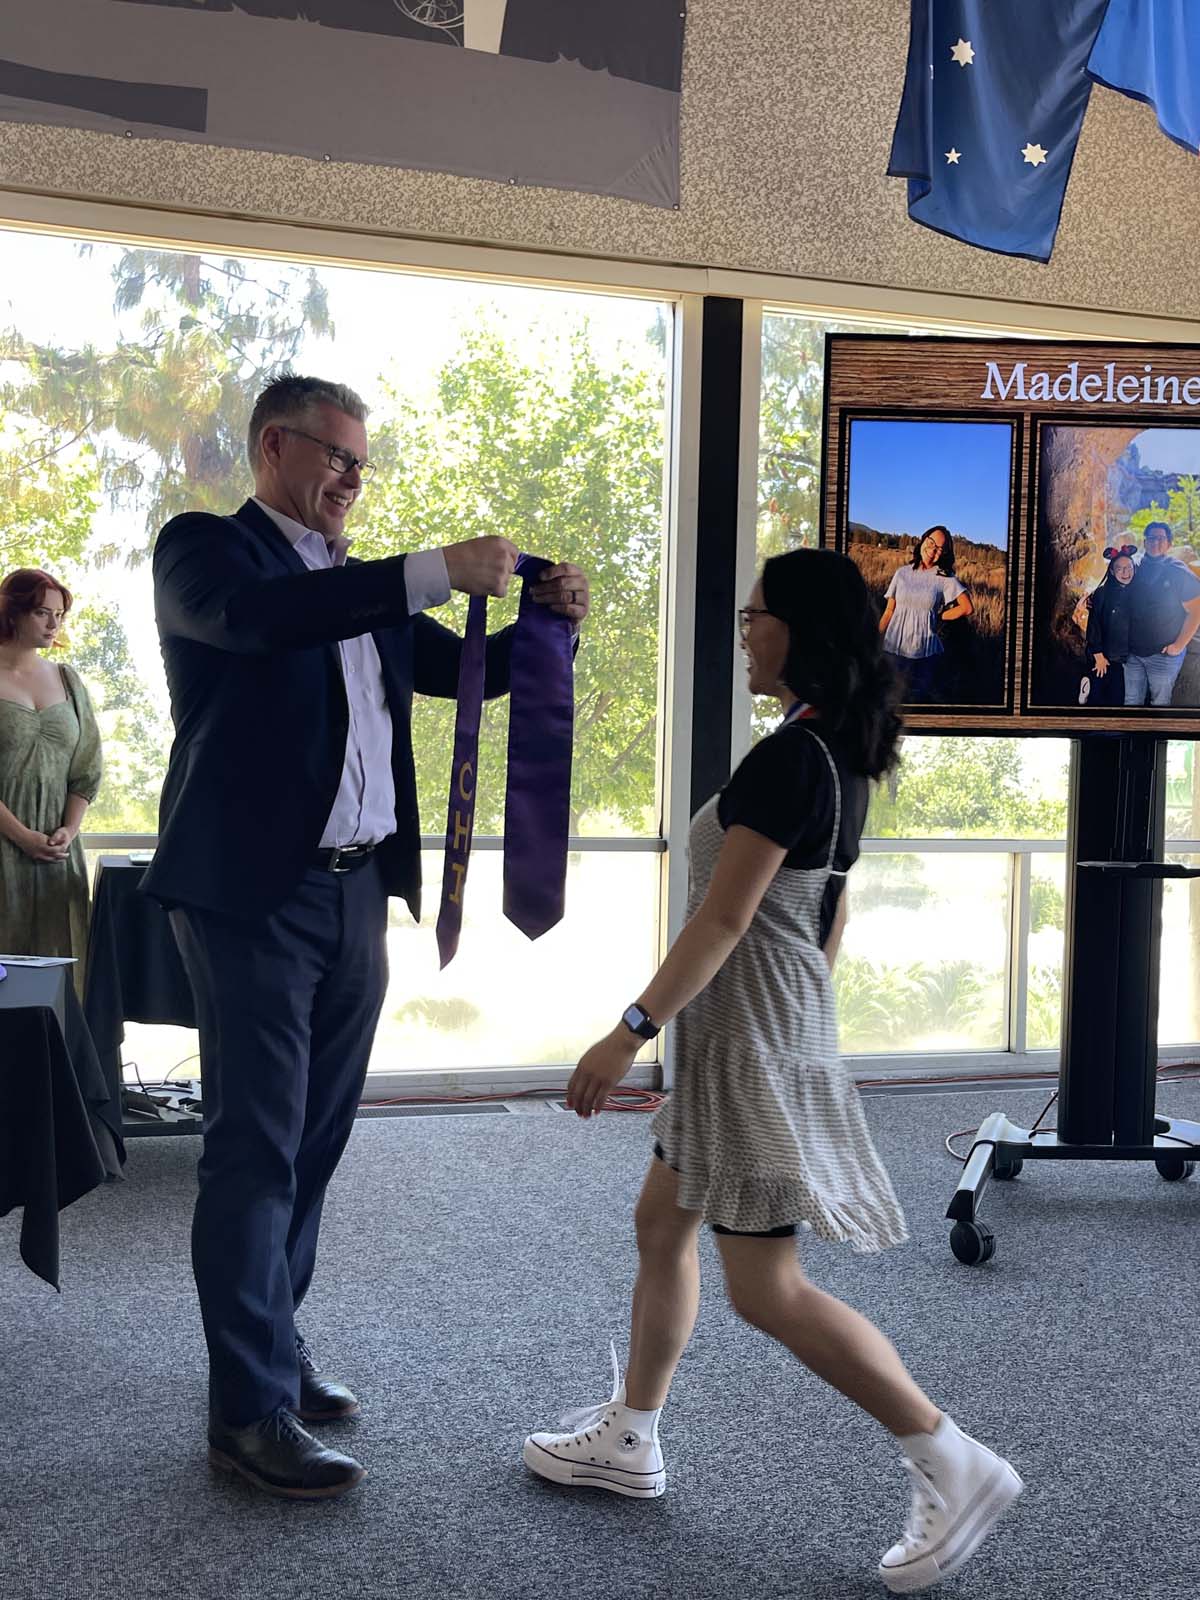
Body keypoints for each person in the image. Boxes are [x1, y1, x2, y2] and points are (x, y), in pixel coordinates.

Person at [522, 548, 1022, 1594]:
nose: (745, 632)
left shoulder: (789, 759)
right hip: (758, 1031)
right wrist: (782, 1024)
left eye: (756, 617)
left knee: (769, 1288)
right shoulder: (830, 749)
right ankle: (632, 1435)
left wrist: (630, 1029)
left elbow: (726, 915)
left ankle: (950, 1457)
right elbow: (827, 915)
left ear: (799, 630)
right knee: (663, 1221)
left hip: (744, 1041)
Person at [145, 373, 589, 1501]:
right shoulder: (207, 552)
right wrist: (437, 567)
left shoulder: (366, 592)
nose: (352, 478)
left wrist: (548, 623)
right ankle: (246, 1412)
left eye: (361, 464)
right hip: (250, 894)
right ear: (273, 448)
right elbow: (258, 625)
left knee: (314, 1144)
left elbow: (468, 675)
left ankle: (271, 1343)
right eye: (338, 456)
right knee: (255, 1145)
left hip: (355, 895)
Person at [0, 569, 102, 1000]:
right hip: (5, 844)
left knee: (62, 976)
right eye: (43, 612)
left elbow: (88, 767)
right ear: (12, 612)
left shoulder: (67, 679)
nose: (53, 624)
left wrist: (68, 831)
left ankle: (58, 1068)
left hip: (58, 854)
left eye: (59, 614)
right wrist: (22, 836)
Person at [877, 525, 973, 704]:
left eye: (939, 549)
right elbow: (889, 611)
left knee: (917, 704)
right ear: (923, 540)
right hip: (892, 651)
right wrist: (875, 639)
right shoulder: (902, 573)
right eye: (931, 543)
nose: (932, 550)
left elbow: (967, 607)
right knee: (889, 702)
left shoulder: (944, 577)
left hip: (923, 656)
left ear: (943, 553)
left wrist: (941, 616)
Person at [1124, 521, 1200, 706]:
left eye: (1160, 538)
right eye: (1151, 538)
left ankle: (1155, 736)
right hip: (1132, 654)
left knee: (1159, 704)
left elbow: (1196, 611)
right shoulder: (1137, 567)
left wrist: (1178, 646)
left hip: (1163, 656)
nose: (1155, 542)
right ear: (1144, 542)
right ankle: (1131, 736)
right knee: (1131, 701)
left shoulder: (1178, 571)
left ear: (1169, 543)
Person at [1078, 544, 1136, 707]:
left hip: (1125, 659)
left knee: (1117, 699)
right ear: (1111, 571)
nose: (1126, 573)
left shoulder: (1136, 592)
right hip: (1104, 657)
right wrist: (1098, 655)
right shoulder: (1102, 593)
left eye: (1129, 567)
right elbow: (1094, 624)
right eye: (1120, 569)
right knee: (1097, 699)